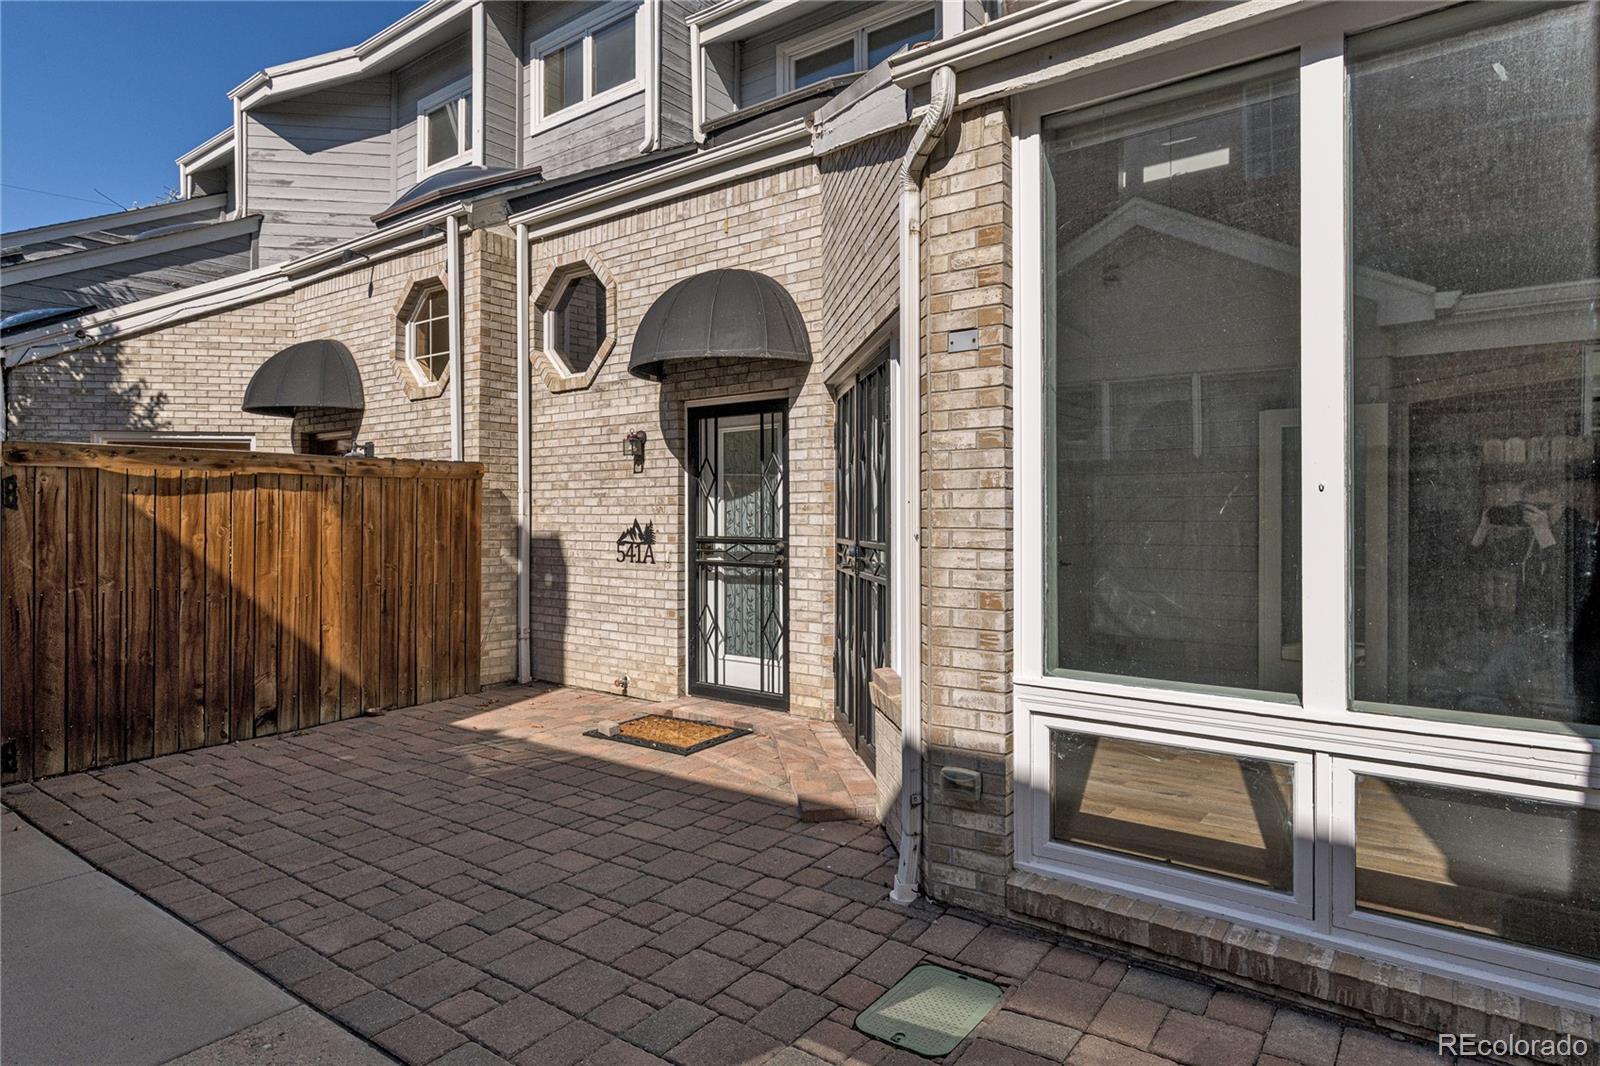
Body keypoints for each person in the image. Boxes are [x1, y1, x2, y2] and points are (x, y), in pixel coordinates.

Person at [1461, 477, 1598, 725]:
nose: (1535, 513)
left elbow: (1571, 584)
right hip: (1530, 634)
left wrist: (1544, 533)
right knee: (1480, 694)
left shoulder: (1581, 532)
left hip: (1568, 637)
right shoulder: (1529, 537)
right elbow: (1476, 562)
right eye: (1529, 507)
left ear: (1561, 503)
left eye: (1542, 506)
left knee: (1571, 710)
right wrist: (1483, 527)